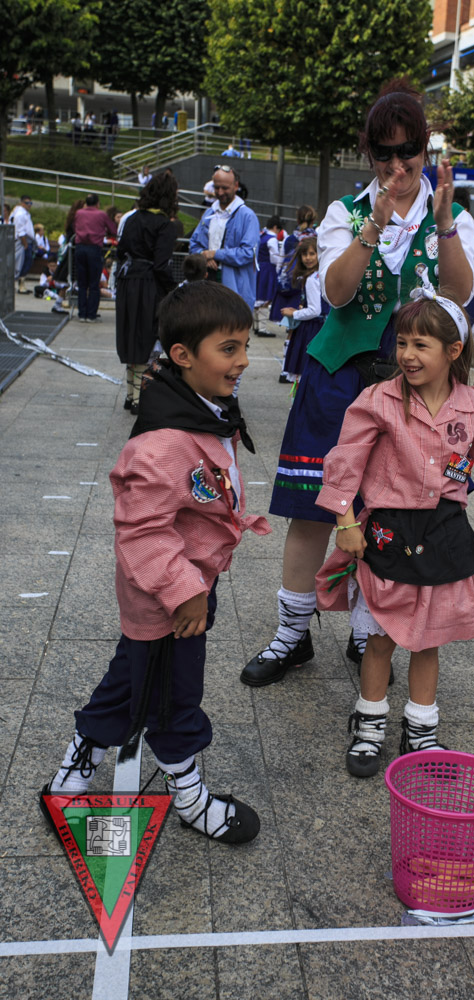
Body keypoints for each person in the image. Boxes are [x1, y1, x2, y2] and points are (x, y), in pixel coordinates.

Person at [240, 78, 474, 688]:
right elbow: (337, 293)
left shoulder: (451, 214)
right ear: (369, 154)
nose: (398, 166)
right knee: (314, 508)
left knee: (392, 512)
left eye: (409, 151)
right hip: (340, 377)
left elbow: (458, 296)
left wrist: (445, 226)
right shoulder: (345, 213)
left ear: (425, 149)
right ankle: (291, 634)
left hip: (413, 385)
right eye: (385, 153)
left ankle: (367, 629)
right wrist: (373, 226)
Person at [40, 282, 269, 843]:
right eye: (229, 349)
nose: (243, 360)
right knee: (173, 696)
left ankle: (75, 764)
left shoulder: (201, 408)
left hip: (183, 585)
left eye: (244, 346)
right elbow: (142, 528)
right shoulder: (163, 442)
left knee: (131, 680)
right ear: (183, 355)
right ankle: (187, 796)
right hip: (169, 596)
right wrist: (185, 592)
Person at [312, 289, 474, 775]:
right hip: (389, 531)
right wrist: (345, 521)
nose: (406, 354)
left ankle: (421, 731)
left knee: (429, 640)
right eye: (402, 342)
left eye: (421, 345)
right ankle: (369, 725)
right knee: (381, 637)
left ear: (453, 350)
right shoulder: (378, 398)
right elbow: (346, 459)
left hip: (445, 530)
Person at [116, 173, 179, 413]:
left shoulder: (132, 219)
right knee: (146, 339)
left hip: (127, 283)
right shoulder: (165, 225)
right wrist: (173, 289)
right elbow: (161, 265)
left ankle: (130, 395)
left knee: (132, 338)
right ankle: (139, 399)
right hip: (148, 286)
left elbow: (121, 251)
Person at [189, 165, 260, 313]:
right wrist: (204, 256)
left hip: (234, 291)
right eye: (217, 187)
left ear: (236, 186)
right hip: (206, 285)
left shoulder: (247, 216)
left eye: (225, 188)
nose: (220, 192)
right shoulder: (209, 213)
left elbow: (248, 253)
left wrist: (215, 254)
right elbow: (194, 244)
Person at [280, 236, 329, 383]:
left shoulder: (312, 279)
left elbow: (314, 310)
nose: (308, 258)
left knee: (303, 373)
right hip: (323, 327)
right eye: (304, 254)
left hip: (311, 329)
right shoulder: (322, 274)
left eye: (312, 254)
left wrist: (294, 313)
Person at [268, 205, 318, 323]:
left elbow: (280, 263)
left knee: (289, 321)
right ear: (313, 221)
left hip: (290, 283)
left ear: (297, 220)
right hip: (309, 284)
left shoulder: (289, 239)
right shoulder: (318, 239)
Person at [73, 193, 117, 322]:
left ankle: (82, 313)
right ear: (97, 203)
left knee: (82, 283)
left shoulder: (79, 213)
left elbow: (75, 226)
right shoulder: (101, 214)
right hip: (94, 248)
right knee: (93, 283)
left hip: (80, 247)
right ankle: (91, 314)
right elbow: (113, 230)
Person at [254, 215, 283, 336]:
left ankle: (257, 326)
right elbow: (274, 257)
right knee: (265, 298)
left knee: (259, 297)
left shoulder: (262, 236)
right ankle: (262, 328)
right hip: (268, 270)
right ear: (275, 227)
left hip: (260, 268)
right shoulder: (272, 239)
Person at [9, 195, 35, 294]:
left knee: (26, 263)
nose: (29, 205)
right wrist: (25, 244)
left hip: (26, 240)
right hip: (22, 241)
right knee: (21, 263)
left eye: (30, 203)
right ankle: (18, 284)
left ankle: (22, 284)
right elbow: (20, 231)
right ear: (22, 203)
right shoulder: (20, 214)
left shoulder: (25, 213)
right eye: (27, 203)